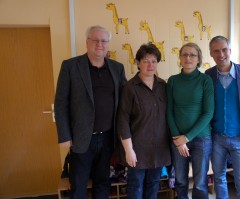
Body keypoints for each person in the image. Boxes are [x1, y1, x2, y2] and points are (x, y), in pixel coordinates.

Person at [54, 25, 127, 199]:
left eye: (104, 41)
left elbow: (125, 101)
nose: (99, 44)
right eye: (95, 40)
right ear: (87, 42)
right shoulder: (70, 66)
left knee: (103, 183)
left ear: (108, 44)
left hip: (108, 138)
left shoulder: (117, 68)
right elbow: (60, 102)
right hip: (80, 137)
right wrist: (64, 135)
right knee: (78, 184)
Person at [205, 35, 240, 199]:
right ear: (211, 54)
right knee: (219, 178)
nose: (221, 54)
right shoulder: (208, 75)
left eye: (224, 50)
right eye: (216, 51)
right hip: (217, 138)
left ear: (230, 50)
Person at [117, 43, 171, 199]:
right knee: (135, 186)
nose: (150, 65)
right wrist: (129, 150)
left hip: (159, 148)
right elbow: (123, 120)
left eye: (154, 61)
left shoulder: (163, 85)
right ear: (138, 63)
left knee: (154, 183)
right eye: (146, 60)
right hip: (137, 148)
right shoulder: (129, 87)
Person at [167, 42, 214, 199]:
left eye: (192, 55)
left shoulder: (205, 80)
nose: (188, 58)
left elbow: (208, 113)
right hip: (177, 139)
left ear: (198, 58)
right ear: (180, 58)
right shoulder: (172, 81)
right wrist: (177, 138)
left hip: (201, 138)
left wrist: (187, 138)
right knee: (180, 180)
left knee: (200, 182)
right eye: (184, 54)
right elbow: (169, 110)